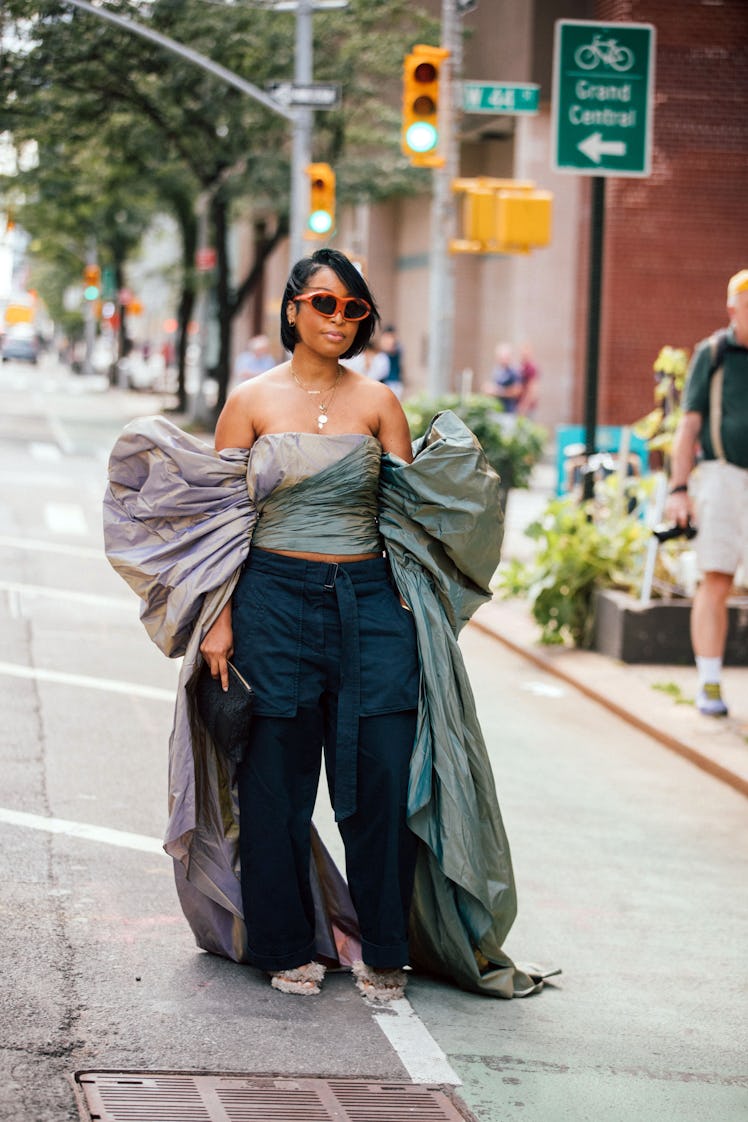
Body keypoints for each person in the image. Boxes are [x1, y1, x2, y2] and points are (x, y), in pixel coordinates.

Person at [104, 249, 553, 1005]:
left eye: (354, 309)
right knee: (274, 783)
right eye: (324, 303)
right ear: (291, 310)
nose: (339, 319)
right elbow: (220, 524)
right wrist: (217, 622)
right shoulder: (249, 402)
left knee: (379, 778)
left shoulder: (379, 403)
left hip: (372, 607)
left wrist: (419, 616)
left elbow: (413, 519)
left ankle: (384, 948)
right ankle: (283, 944)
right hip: (270, 601)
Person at [666, 269, 748, 717]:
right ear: (733, 310)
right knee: (716, 577)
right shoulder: (713, 353)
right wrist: (679, 489)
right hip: (722, 476)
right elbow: (689, 425)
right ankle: (710, 683)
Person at [486, 343, 522, 413]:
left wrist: (498, 391)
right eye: (500, 357)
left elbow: (517, 391)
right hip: (496, 409)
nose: (502, 360)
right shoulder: (497, 370)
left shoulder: (513, 372)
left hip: (508, 411)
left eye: (504, 357)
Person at [379, 325, 404, 398]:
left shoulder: (397, 348)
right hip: (385, 382)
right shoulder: (382, 353)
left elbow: (389, 348)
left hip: (393, 384)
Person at [517, 343, 540, 417]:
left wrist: (524, 405)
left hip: (527, 406)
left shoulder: (531, 368)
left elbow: (532, 388)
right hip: (520, 403)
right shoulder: (521, 366)